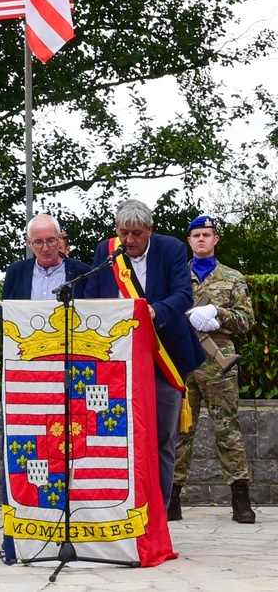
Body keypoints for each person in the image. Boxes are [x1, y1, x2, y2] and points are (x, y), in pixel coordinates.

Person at [83, 198, 203, 507]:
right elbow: (92, 297)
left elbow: (183, 295)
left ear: (149, 229)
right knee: (117, 436)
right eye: (124, 233)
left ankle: (160, 511)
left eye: (137, 233)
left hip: (164, 357)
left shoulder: (172, 249)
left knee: (163, 438)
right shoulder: (106, 251)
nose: (130, 240)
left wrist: (153, 310)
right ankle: (121, 506)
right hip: (116, 360)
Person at [169, 214, 256, 524]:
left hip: (219, 360)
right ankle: (172, 496)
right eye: (196, 236)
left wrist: (218, 314)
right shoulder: (177, 277)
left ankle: (240, 498)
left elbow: (246, 321)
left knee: (228, 430)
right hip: (183, 359)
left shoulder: (232, 278)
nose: (201, 240)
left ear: (216, 239)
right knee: (180, 430)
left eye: (207, 234)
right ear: (189, 241)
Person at [1, 214, 91, 300]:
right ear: (29, 243)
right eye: (38, 242)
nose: (45, 248)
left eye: (50, 241)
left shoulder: (82, 272)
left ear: (60, 239)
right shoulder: (16, 272)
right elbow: (5, 309)